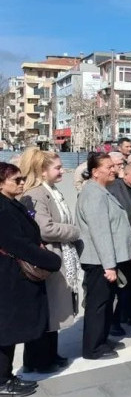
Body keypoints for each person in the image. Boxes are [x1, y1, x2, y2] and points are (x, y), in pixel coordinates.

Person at [0, 162, 62, 396]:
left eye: (22, 178)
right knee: (5, 331)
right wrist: (51, 260)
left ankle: (6, 377)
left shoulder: (11, 203)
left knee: (9, 330)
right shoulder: (3, 210)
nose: (22, 183)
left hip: (14, 277)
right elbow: (18, 244)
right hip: (9, 278)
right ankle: (2, 381)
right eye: (16, 180)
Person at [18, 149, 81, 373]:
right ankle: (39, 360)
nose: (62, 171)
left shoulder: (51, 191)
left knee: (55, 311)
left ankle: (50, 355)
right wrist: (73, 231)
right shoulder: (36, 194)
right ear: (42, 171)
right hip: (48, 258)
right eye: (57, 167)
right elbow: (45, 228)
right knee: (48, 311)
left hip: (58, 255)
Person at [76, 153, 131, 360]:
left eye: (113, 166)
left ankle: (101, 339)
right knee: (98, 305)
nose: (113, 170)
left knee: (107, 302)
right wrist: (109, 265)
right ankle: (92, 348)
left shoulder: (101, 190)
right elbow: (100, 232)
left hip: (104, 259)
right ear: (95, 172)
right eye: (108, 167)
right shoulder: (94, 194)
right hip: (98, 260)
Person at [107, 162, 131, 334]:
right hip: (120, 244)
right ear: (126, 174)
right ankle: (115, 321)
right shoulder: (115, 188)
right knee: (121, 285)